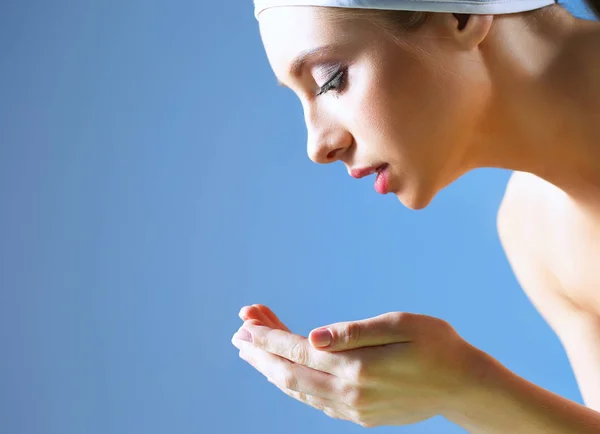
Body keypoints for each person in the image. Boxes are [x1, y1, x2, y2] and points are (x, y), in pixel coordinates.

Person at [231, 0, 600, 431]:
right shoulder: (538, 236)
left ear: (460, 14)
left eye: (330, 79)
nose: (318, 145)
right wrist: (463, 388)